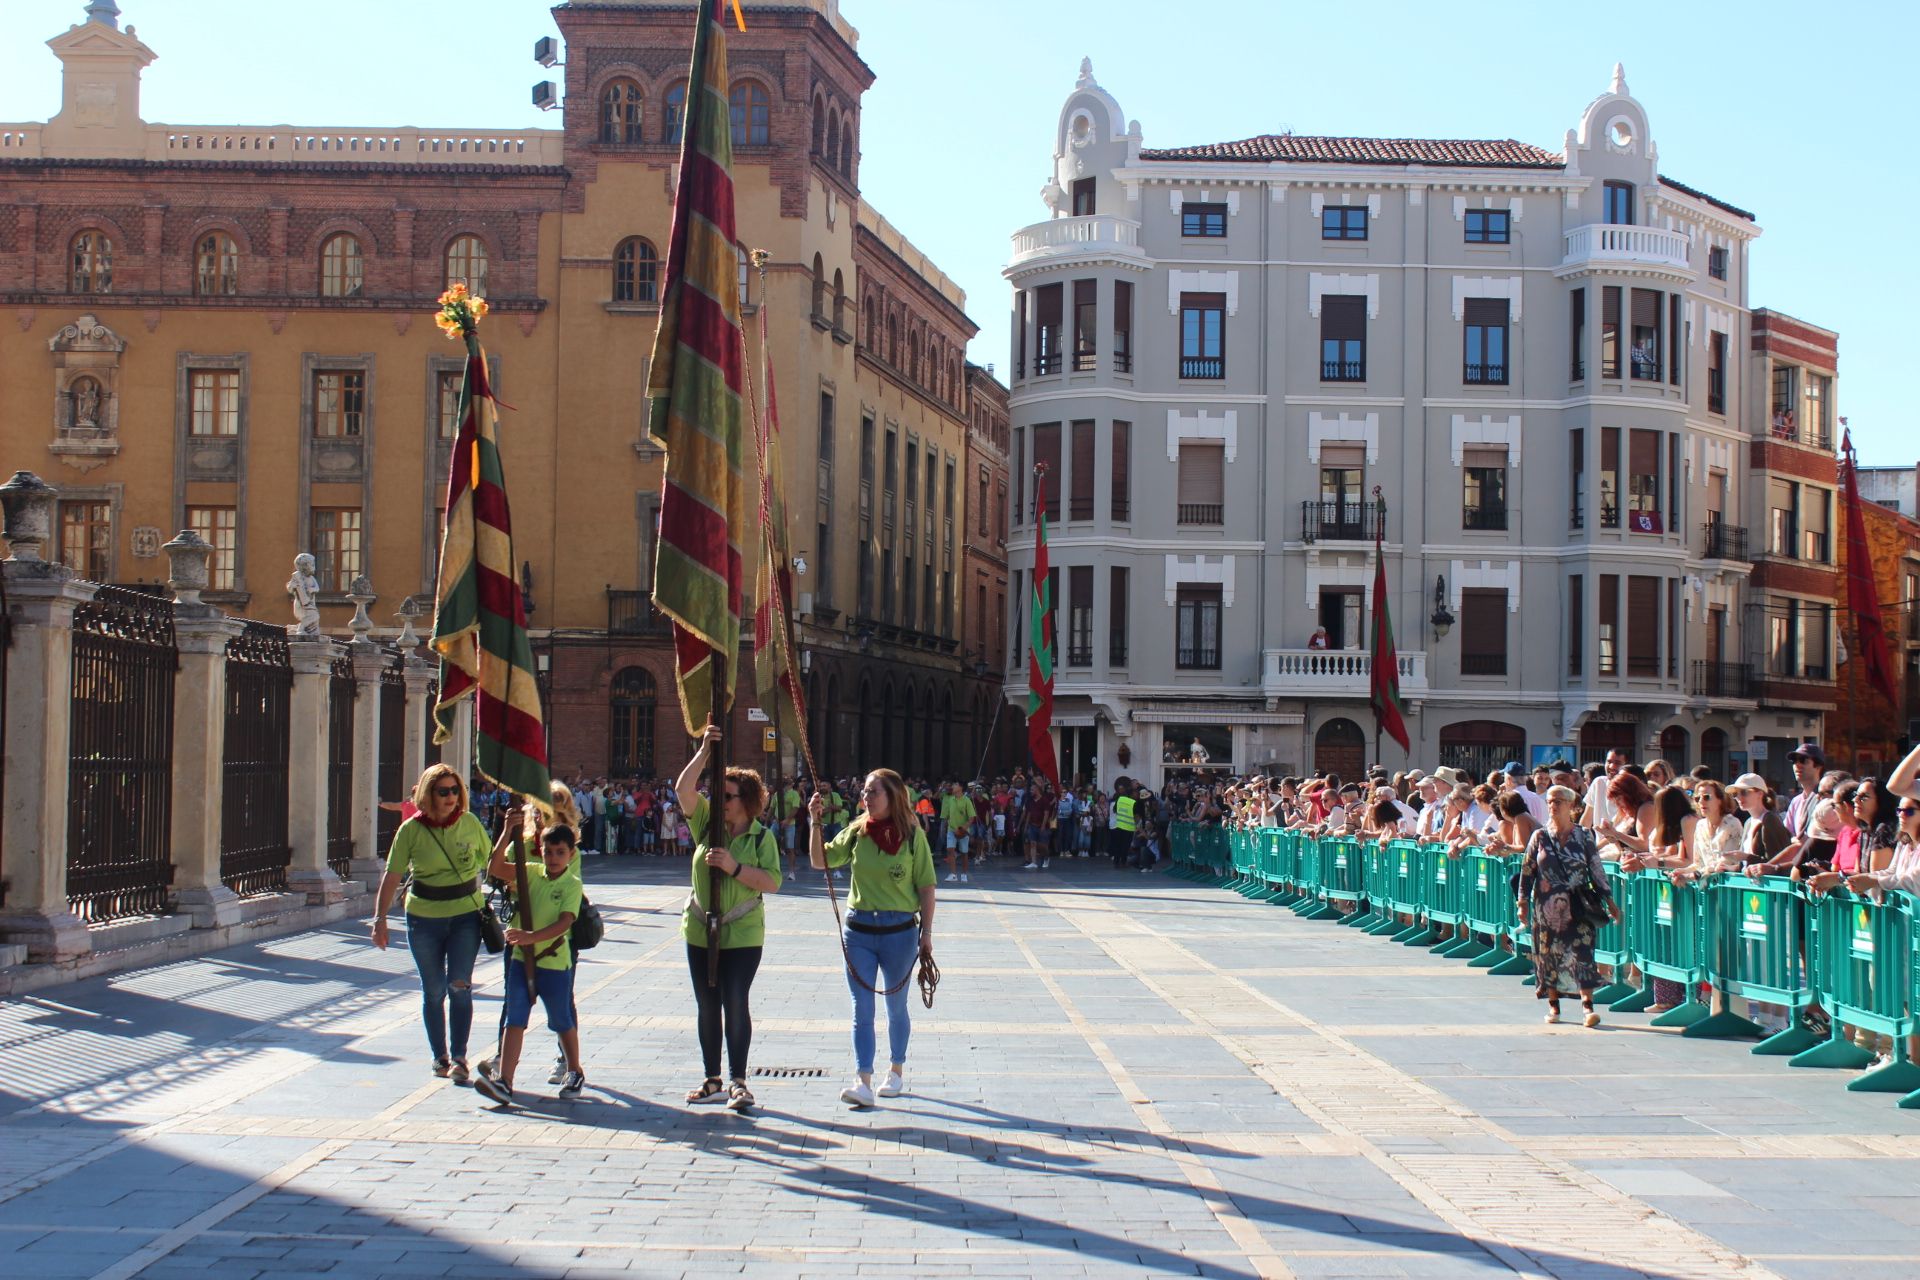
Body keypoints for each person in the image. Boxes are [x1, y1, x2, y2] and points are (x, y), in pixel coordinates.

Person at [810, 769, 937, 1108]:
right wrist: (814, 823)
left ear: (892, 795)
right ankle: (862, 1079)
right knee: (861, 1007)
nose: (866, 797)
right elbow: (820, 860)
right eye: (864, 791)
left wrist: (926, 933)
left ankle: (895, 1069)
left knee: (896, 1006)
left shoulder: (912, 836)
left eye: (874, 791)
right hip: (860, 931)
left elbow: (926, 886)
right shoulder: (856, 832)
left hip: (900, 932)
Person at [370, 764, 500, 1084]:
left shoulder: (469, 824)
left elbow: (491, 862)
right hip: (424, 917)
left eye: (455, 791)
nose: (451, 798)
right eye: (443, 792)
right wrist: (380, 919)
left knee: (460, 985)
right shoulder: (411, 830)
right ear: (429, 794)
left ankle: (458, 1056)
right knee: (432, 990)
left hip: (465, 916)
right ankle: (438, 1055)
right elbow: (393, 874)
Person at [678, 722, 783, 1112]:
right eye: (718, 793)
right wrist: (705, 751)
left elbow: (772, 882)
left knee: (735, 1000)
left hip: (742, 933)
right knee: (707, 1005)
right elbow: (683, 791)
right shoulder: (707, 823)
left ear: (747, 800)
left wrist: (735, 868)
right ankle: (712, 1079)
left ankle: (739, 1081)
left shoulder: (761, 838)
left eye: (728, 795)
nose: (720, 799)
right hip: (700, 929)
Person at [472, 821, 585, 1108]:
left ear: (571, 854)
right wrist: (507, 831)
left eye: (560, 852)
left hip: (553, 961)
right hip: (522, 960)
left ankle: (574, 1069)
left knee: (560, 1019)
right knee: (515, 1016)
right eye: (548, 852)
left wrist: (531, 936)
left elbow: (564, 922)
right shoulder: (531, 873)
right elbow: (495, 868)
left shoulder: (572, 884)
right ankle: (505, 1081)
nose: (553, 858)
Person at [1518, 786, 1622, 1028]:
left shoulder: (1584, 836)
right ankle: (1553, 1006)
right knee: (1549, 955)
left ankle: (1588, 1007)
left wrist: (1609, 900)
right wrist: (1521, 901)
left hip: (1578, 905)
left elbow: (1596, 868)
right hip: (1547, 908)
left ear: (1572, 806)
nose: (1553, 805)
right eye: (1551, 801)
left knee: (1583, 954)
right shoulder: (1539, 837)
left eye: (1559, 801)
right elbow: (1527, 871)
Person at [940, 781, 975, 883]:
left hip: (963, 831)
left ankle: (964, 874)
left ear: (960, 788)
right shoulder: (950, 800)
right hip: (951, 830)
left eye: (954, 785)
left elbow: (972, 817)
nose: (952, 787)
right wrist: (946, 827)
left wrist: (964, 828)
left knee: (964, 853)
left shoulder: (967, 800)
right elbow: (946, 816)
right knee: (950, 850)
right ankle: (953, 874)